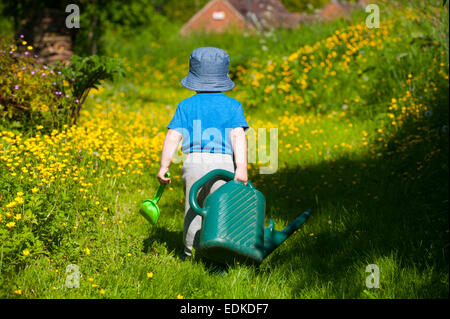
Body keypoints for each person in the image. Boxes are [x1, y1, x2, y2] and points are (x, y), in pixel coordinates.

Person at [156, 47, 249, 259]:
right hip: (224, 164)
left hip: (194, 163)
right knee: (221, 209)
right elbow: (238, 137)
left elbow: (173, 136)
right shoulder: (234, 106)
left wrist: (164, 166)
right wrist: (241, 167)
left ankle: (191, 253)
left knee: (193, 209)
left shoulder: (185, 105)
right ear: (223, 76)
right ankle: (219, 253)